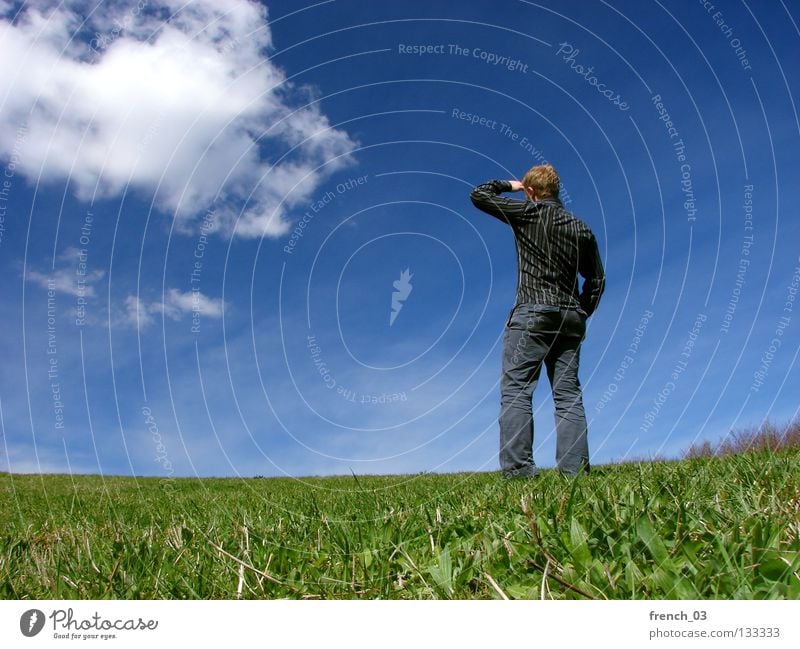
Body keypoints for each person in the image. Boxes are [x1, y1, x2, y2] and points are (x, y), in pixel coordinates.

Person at [469, 164, 605, 478]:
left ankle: (518, 471)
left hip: (532, 311)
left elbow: (479, 195)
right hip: (570, 317)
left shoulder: (528, 214)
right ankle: (575, 473)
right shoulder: (581, 228)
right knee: (568, 394)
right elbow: (596, 280)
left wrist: (511, 185)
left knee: (517, 390)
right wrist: (580, 312)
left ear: (531, 192)